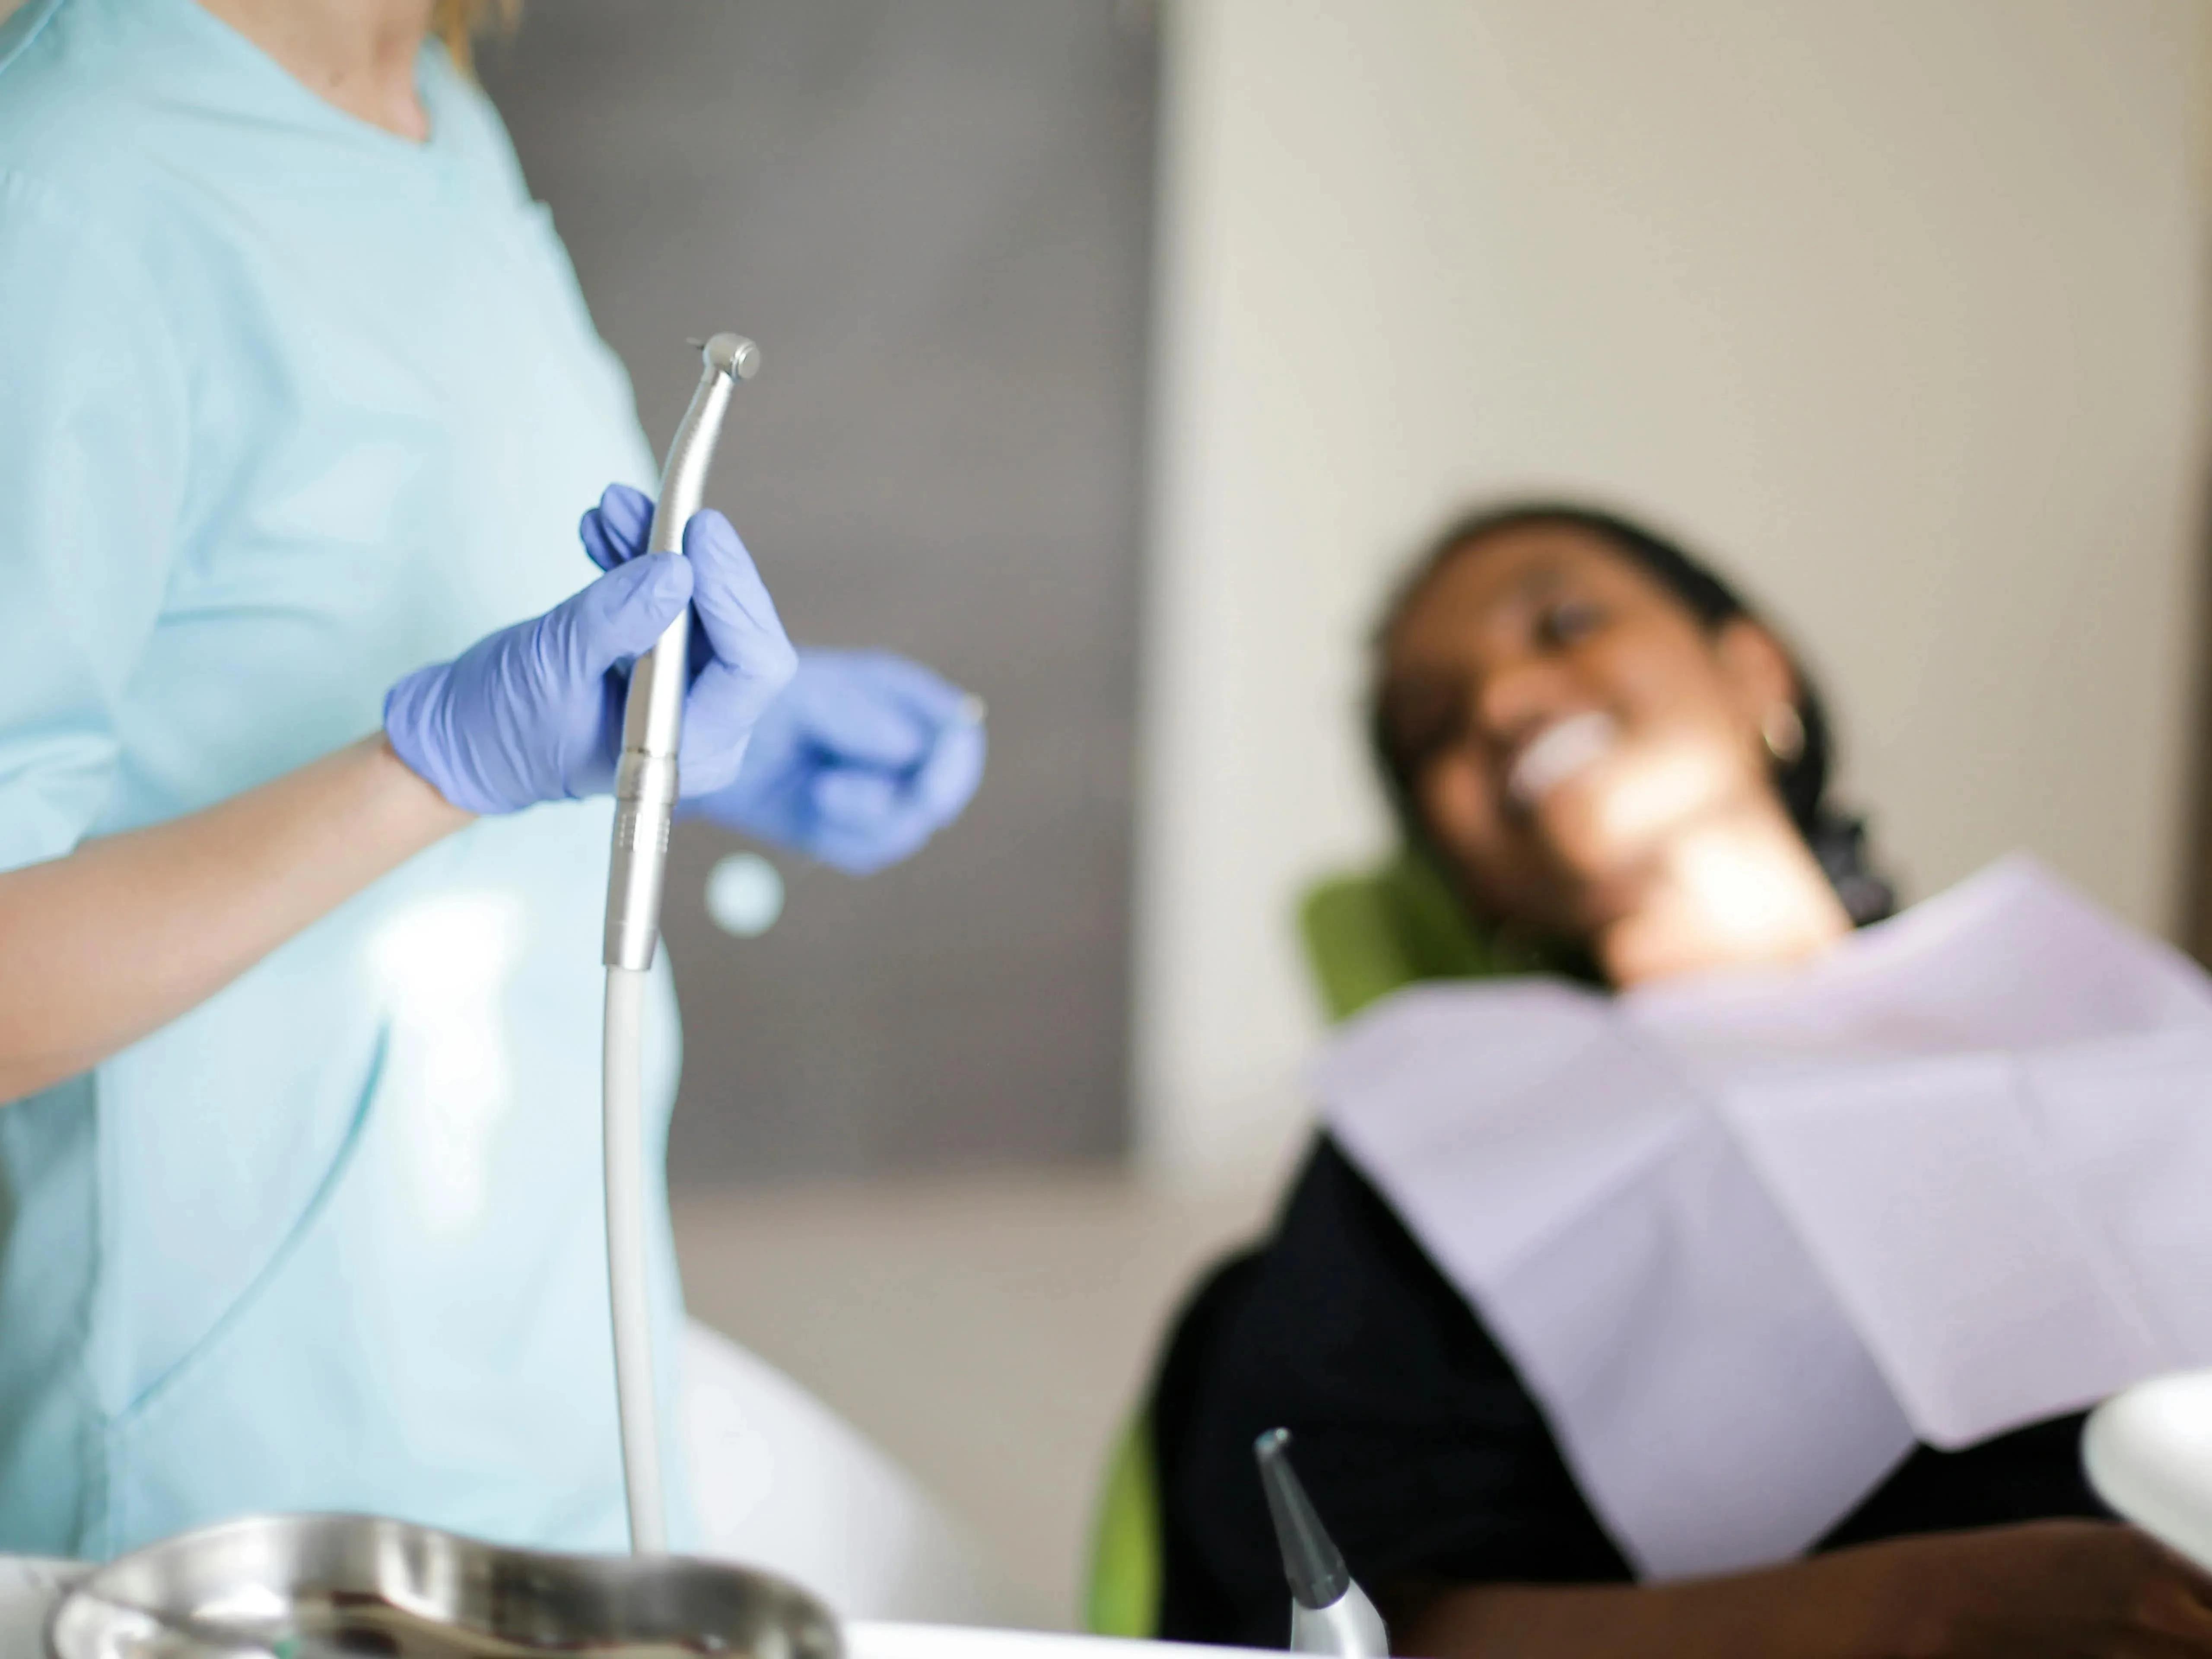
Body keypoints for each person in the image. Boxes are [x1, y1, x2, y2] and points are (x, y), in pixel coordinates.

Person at [0, 0, 982, 1558]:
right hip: (236, 1483)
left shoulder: (440, 124)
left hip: (543, 1370)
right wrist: (430, 767)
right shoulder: (67, 180)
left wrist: (696, 741)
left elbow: (429, 618)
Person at [1146, 504, 2212, 1656]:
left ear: (1756, 674)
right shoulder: (1439, 1147)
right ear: (1466, 877)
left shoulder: (2109, 1011)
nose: (1504, 705)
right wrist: (1910, 1614)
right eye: (1433, 728)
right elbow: (1316, 1613)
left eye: (1563, 622)